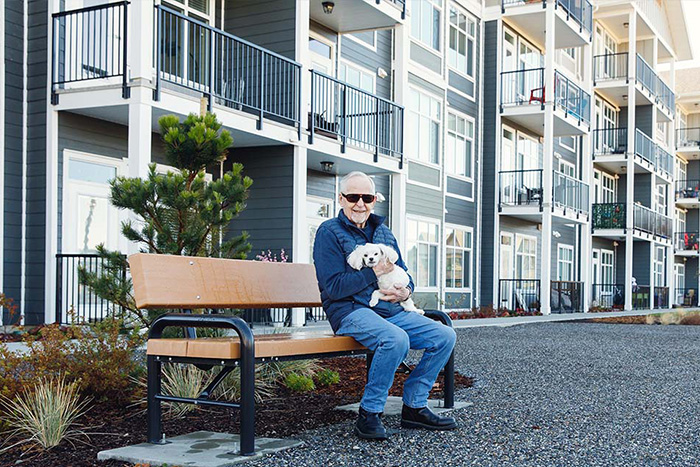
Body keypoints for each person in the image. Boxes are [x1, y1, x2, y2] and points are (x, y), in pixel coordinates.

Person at [313, 171, 458, 440]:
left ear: (374, 200)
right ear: (341, 198)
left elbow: (403, 272)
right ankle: (369, 413)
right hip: (350, 311)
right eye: (353, 197)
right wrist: (374, 272)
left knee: (444, 335)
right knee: (395, 339)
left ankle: (414, 406)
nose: (360, 203)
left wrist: (407, 291)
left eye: (366, 197)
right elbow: (333, 287)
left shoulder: (384, 232)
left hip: (390, 311)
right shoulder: (329, 232)